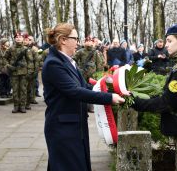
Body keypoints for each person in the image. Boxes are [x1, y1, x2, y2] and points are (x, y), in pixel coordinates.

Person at [42, 23, 125, 171]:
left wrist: (109, 89)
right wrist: (109, 98)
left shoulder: (68, 61)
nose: (78, 42)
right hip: (62, 128)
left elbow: (85, 86)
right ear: (63, 40)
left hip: (74, 126)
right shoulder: (54, 64)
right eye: (75, 38)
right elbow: (74, 91)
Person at [132, 24, 177, 171]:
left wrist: (136, 102)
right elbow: (167, 95)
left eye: (169, 41)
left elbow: (166, 103)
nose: (166, 45)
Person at [5, 32, 28, 113]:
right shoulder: (11, 49)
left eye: (20, 37)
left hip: (24, 72)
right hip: (14, 72)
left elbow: (30, 61)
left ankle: (22, 106)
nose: (18, 38)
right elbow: (4, 59)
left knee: (23, 90)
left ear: (23, 39)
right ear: (14, 39)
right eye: (16, 37)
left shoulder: (26, 49)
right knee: (15, 90)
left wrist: (29, 71)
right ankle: (16, 106)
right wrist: (9, 66)